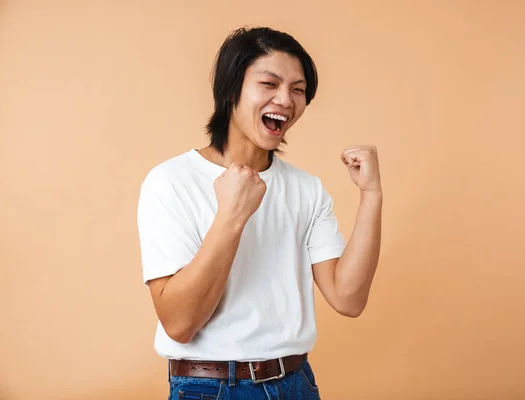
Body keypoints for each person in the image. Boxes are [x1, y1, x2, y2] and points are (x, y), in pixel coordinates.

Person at [136, 26, 382, 400]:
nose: (285, 99)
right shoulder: (171, 181)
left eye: (298, 90)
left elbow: (348, 298)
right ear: (231, 89)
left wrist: (371, 193)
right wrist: (232, 215)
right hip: (210, 389)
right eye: (269, 84)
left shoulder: (306, 188)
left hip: (296, 383)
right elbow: (179, 323)